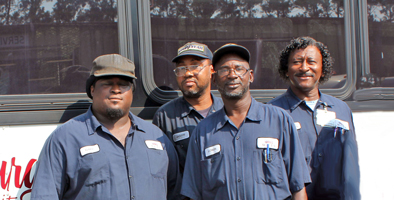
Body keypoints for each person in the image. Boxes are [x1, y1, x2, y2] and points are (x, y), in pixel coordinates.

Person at [31, 54, 182, 200]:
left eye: (123, 85)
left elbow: (175, 193)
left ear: (132, 91)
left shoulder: (156, 136)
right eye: (107, 83)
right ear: (92, 89)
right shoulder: (65, 138)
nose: (116, 90)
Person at [181, 44, 311, 200]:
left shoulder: (279, 121)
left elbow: (298, 188)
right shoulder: (202, 132)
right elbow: (193, 194)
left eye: (239, 68)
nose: (232, 75)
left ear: (250, 76)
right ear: (214, 79)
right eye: (224, 70)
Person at [268, 36, 360, 200]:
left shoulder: (341, 109)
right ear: (286, 69)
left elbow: (351, 163)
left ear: (323, 69)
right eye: (297, 62)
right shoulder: (272, 111)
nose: (304, 67)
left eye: (311, 61)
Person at [153, 42, 223, 173]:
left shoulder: (226, 110)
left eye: (195, 66)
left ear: (211, 70)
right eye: (181, 68)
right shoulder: (165, 116)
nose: (188, 73)